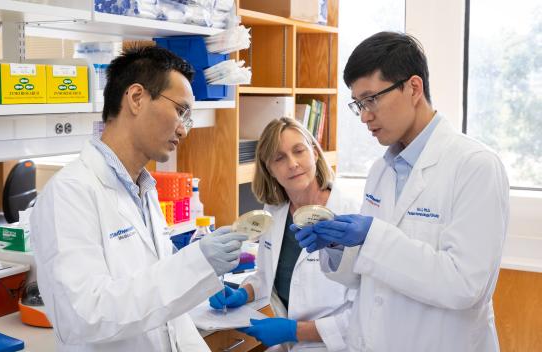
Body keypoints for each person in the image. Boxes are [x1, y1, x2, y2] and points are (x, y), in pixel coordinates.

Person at [294, 31, 510, 352]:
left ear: (413, 88)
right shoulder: (381, 171)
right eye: (358, 104)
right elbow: (368, 277)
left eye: (371, 99)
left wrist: (373, 236)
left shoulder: (475, 166)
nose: (365, 116)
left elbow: (465, 285)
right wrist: (339, 247)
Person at [30, 46, 247, 352]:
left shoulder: (144, 189)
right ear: (136, 98)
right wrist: (197, 263)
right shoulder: (70, 193)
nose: (184, 130)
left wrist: (197, 268)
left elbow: (165, 308)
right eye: (180, 111)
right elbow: (85, 315)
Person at [208, 117, 359, 351]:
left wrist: (293, 331)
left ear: (315, 153)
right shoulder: (275, 213)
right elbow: (266, 276)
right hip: (293, 344)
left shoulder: (350, 214)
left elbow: (362, 314)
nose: (292, 164)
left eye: (299, 151)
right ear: (270, 169)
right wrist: (243, 293)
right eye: (279, 158)